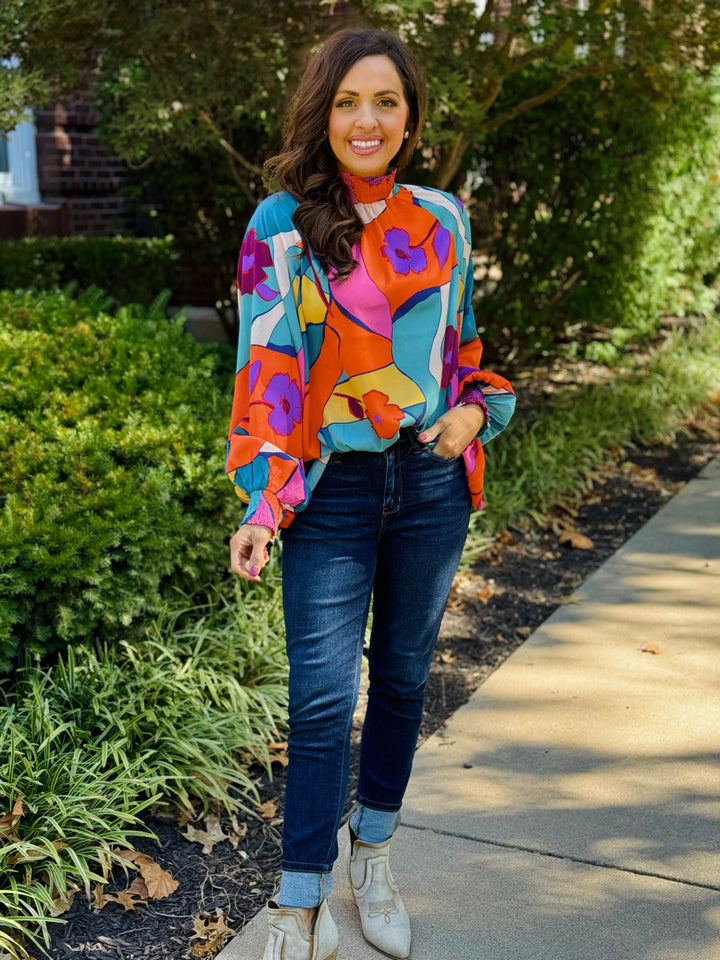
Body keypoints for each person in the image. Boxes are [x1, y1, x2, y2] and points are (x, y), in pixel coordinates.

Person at [226, 27, 516, 960]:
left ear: (410, 117)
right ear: (324, 112)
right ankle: (298, 897)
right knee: (318, 699)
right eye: (348, 100)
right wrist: (262, 501)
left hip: (429, 483)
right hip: (330, 492)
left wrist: (473, 416)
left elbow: (459, 353)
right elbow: (265, 371)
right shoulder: (281, 223)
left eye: (385, 101)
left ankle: (375, 856)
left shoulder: (444, 218)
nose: (366, 119)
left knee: (398, 682)